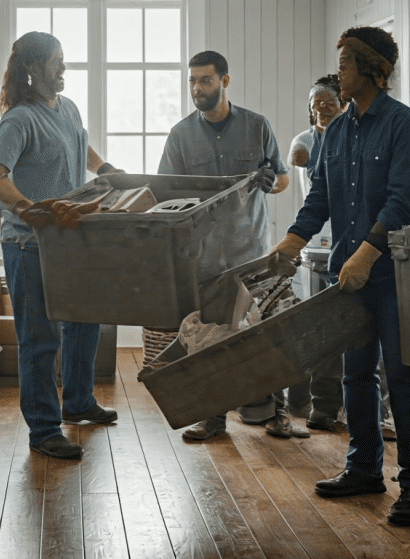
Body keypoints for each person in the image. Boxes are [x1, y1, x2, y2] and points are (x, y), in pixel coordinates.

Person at [270, 26, 410, 527]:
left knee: (401, 379)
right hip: (348, 274)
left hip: (393, 275)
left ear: (371, 68)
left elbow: (407, 202)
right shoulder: (338, 131)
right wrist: (292, 241)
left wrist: (366, 255)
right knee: (355, 373)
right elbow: (320, 195)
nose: (337, 71)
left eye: (345, 63)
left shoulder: (407, 127)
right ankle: (363, 467)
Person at [0, 31, 120, 461]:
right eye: (56, 62)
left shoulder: (68, 107)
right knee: (39, 339)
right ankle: (43, 429)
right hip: (29, 245)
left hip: (69, 239)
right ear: (33, 68)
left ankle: (77, 403)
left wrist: (105, 167)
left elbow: (79, 142)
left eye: (64, 60)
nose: (64, 68)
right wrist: (25, 209)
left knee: (84, 321)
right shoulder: (19, 119)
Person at [158, 50, 296, 441]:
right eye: (192, 81)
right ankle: (213, 419)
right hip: (204, 259)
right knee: (208, 340)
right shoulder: (181, 135)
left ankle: (279, 414)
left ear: (225, 81)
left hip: (252, 252)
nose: (197, 89)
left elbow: (283, 179)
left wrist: (273, 182)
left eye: (205, 80)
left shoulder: (257, 126)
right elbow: (166, 194)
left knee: (268, 331)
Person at [285, 74, 347, 434]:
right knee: (315, 326)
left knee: (339, 330)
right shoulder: (305, 142)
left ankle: (330, 405)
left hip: (348, 244)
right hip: (315, 244)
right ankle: (305, 402)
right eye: (316, 104)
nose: (321, 109)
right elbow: (303, 164)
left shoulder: (353, 138)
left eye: (329, 103)